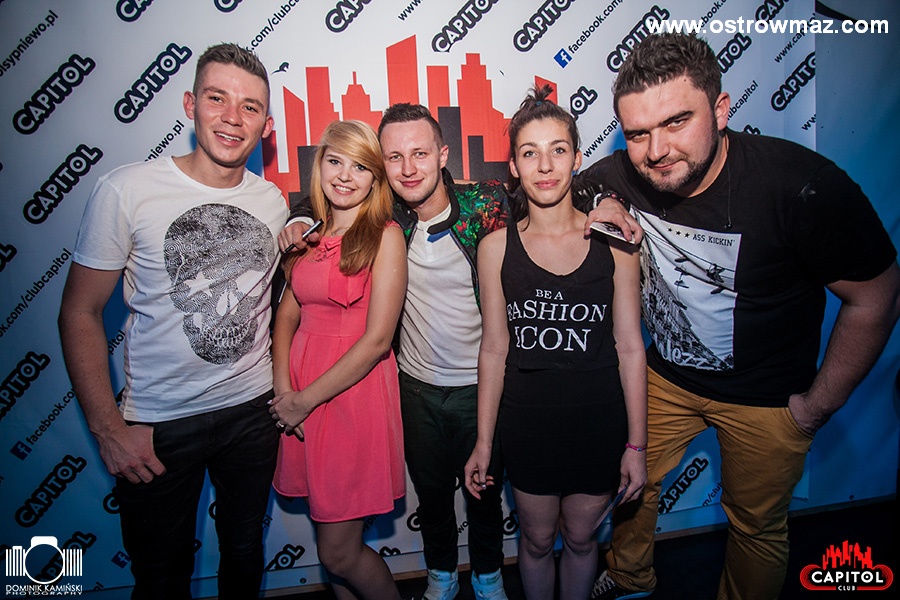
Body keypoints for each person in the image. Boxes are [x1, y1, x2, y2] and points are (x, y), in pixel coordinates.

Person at [580, 34, 900, 600]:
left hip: (769, 398)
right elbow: (571, 189)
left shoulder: (798, 185)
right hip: (666, 380)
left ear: (721, 109)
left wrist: (815, 408)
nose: (656, 150)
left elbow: (877, 295)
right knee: (629, 485)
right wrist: (598, 202)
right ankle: (629, 576)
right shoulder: (622, 174)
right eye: (638, 133)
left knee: (755, 527)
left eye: (677, 121)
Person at [279, 104, 638, 600]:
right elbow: (330, 194)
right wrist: (299, 216)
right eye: (394, 157)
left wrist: (608, 200)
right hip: (416, 386)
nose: (408, 169)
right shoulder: (384, 218)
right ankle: (440, 575)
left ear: (443, 154)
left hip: (482, 384)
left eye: (420, 154)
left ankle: (488, 577)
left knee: (485, 495)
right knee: (431, 495)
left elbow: (551, 185)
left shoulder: (486, 203)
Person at [58, 43, 287, 599]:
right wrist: (109, 429)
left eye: (250, 106)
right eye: (217, 98)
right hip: (156, 424)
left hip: (252, 413)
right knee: (160, 576)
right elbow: (79, 312)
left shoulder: (274, 202)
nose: (232, 118)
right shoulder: (127, 190)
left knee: (244, 554)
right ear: (190, 104)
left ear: (266, 126)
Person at [462, 86, 647, 600]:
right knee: (538, 541)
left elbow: (631, 347)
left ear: (577, 159)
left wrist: (636, 445)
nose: (545, 165)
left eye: (558, 150)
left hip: (599, 423)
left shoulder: (616, 242)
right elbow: (494, 349)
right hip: (528, 425)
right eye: (530, 152)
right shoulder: (495, 247)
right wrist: (484, 442)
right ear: (514, 167)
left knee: (583, 540)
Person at [268, 119, 408, 600]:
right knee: (331, 540)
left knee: (338, 552)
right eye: (335, 161)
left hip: (351, 395)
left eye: (360, 166)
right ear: (320, 167)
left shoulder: (386, 235)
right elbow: (286, 317)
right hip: (300, 393)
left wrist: (303, 400)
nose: (345, 175)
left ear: (375, 178)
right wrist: (284, 390)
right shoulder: (309, 236)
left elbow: (378, 340)